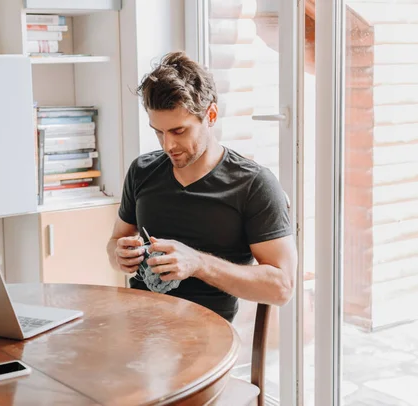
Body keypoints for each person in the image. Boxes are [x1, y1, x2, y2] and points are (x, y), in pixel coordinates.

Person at [106, 51, 297, 322]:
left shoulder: (253, 184)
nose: (167, 145)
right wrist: (119, 255)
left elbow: (282, 288)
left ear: (212, 114)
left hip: (206, 337)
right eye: (158, 131)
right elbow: (115, 243)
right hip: (140, 328)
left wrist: (198, 264)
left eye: (179, 131)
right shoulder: (142, 171)